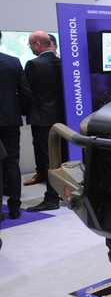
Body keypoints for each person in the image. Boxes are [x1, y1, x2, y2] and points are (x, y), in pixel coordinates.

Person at [24, 31, 66, 212]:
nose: (30, 48)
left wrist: (24, 111)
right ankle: (64, 193)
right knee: (63, 158)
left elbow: (26, 92)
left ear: (38, 44)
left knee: (48, 160)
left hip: (42, 120)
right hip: (64, 118)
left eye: (30, 45)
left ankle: (51, 198)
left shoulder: (34, 65)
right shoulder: (63, 63)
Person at [0, 31, 32, 219]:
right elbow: (25, 92)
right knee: (12, 163)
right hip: (10, 120)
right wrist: (16, 109)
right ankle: (14, 208)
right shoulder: (13, 62)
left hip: (9, 119)